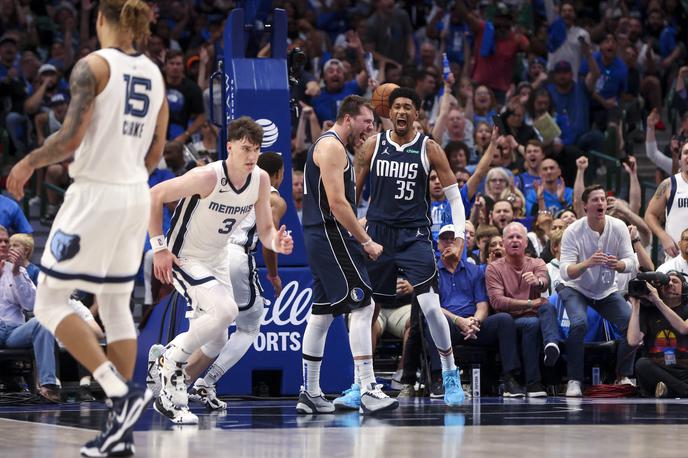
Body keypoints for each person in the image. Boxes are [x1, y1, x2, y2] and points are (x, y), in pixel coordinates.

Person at [6, 1, 167, 456]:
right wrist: (128, 175)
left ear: (102, 20)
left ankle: (120, 392)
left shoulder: (92, 66)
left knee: (51, 302)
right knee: (116, 305)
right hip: (136, 192)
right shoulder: (155, 75)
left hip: (95, 194)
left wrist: (28, 161)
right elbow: (156, 150)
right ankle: (120, 433)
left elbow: (70, 138)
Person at [148, 117, 293, 424]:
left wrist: (277, 244)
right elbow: (155, 195)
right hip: (183, 256)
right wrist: (159, 247)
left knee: (216, 341)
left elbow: (266, 231)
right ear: (229, 147)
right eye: (245, 149)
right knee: (227, 311)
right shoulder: (207, 176)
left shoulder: (261, 180)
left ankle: (166, 360)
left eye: (256, 149)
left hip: (218, 257)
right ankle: (169, 364)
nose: (251, 156)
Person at [355, 87, 467, 407]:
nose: (402, 111)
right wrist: (353, 230)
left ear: (416, 114)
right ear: (388, 113)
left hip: (414, 235)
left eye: (408, 107)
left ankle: (449, 373)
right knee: (365, 310)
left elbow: (455, 198)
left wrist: (459, 238)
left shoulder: (429, 149)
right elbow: (353, 194)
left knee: (431, 307)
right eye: (397, 107)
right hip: (377, 233)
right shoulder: (372, 146)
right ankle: (360, 382)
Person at [298, 95, 397, 414]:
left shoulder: (331, 147)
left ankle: (310, 392)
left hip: (321, 233)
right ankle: (368, 387)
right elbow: (337, 204)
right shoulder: (331, 147)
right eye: (367, 121)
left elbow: (340, 204)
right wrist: (365, 240)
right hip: (330, 233)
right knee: (364, 305)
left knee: (322, 313)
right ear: (348, 118)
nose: (371, 127)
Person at [177, 151, 287, 411]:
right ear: (279, 174)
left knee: (214, 332)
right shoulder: (274, 198)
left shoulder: (233, 186)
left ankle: (176, 378)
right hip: (236, 256)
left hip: (206, 257)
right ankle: (208, 381)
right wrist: (273, 274)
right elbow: (269, 243)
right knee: (249, 326)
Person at [558, 185, 638, 397]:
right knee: (579, 323)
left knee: (633, 325)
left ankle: (622, 375)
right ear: (585, 206)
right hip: (576, 288)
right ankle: (574, 379)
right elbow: (566, 272)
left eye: (603, 199)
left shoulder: (618, 226)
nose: (601, 203)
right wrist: (588, 263)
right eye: (595, 200)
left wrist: (618, 265)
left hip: (605, 291)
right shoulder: (573, 231)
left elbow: (633, 262)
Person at [430, 224, 526, 397]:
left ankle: (510, 379)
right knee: (434, 320)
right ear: (438, 245)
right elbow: (433, 306)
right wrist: (459, 321)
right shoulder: (432, 272)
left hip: (474, 326)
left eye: (454, 239)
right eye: (445, 239)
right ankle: (439, 379)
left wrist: (475, 321)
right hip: (449, 325)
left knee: (504, 319)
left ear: (462, 244)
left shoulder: (474, 271)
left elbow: (482, 305)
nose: (450, 243)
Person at [485, 222, 561, 396]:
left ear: (526, 243)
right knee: (533, 321)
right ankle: (533, 384)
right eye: (510, 237)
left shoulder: (537, 262)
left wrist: (538, 282)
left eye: (519, 237)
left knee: (547, 305)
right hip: (508, 320)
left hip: (534, 313)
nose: (515, 240)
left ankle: (551, 344)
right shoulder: (494, 268)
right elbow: (497, 302)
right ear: (503, 243)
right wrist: (528, 303)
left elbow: (544, 282)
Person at [0, 225, 59, 403]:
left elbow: (31, 305)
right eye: (0, 241)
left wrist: (17, 273)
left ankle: (48, 387)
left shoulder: (19, 271)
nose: (4, 244)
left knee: (43, 322)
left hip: (13, 332)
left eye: (6, 241)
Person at [628, 273, 688, 398]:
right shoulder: (649, 311)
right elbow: (633, 341)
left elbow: (684, 328)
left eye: (675, 281)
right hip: (659, 370)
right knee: (642, 364)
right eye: (666, 282)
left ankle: (670, 390)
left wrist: (657, 301)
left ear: (684, 288)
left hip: (684, 371)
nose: (670, 284)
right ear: (659, 288)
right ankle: (679, 390)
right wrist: (636, 306)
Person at [645, 142, 688, 258]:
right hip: (675, 257)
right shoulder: (669, 184)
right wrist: (663, 236)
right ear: (680, 158)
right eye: (686, 153)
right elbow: (649, 214)